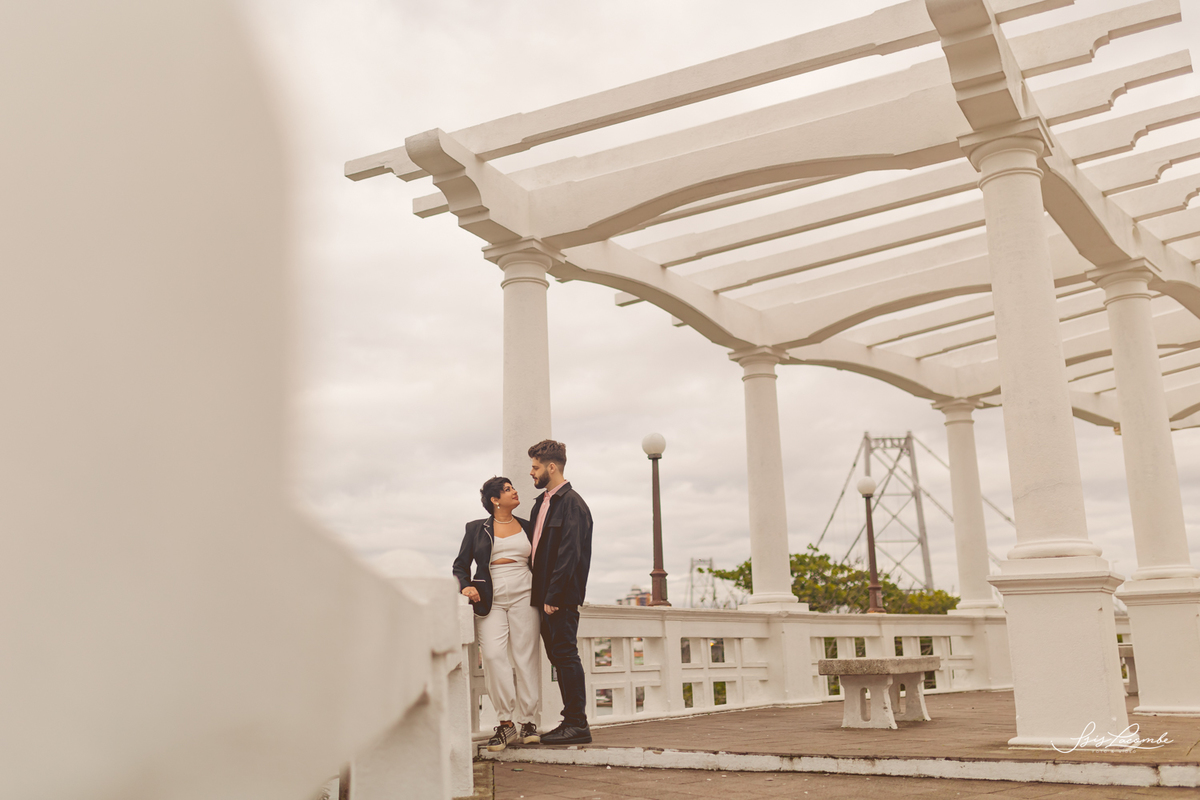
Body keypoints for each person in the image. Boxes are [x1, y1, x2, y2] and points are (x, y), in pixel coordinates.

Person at [452, 476, 542, 752]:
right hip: (490, 596)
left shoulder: (528, 526)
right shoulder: (476, 528)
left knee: (526, 656)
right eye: (507, 489)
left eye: (512, 488)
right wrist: (465, 586)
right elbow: (460, 566)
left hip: (525, 591)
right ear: (494, 499)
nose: (514, 492)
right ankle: (506, 722)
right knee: (492, 655)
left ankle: (528, 721)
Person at [526, 439, 594, 745]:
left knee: (565, 655)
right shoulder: (541, 503)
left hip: (559, 598)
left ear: (551, 467)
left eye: (535, 467)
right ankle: (571, 721)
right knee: (558, 656)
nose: (531, 472)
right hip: (543, 597)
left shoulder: (572, 504)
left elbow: (569, 553)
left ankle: (577, 723)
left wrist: (554, 595)